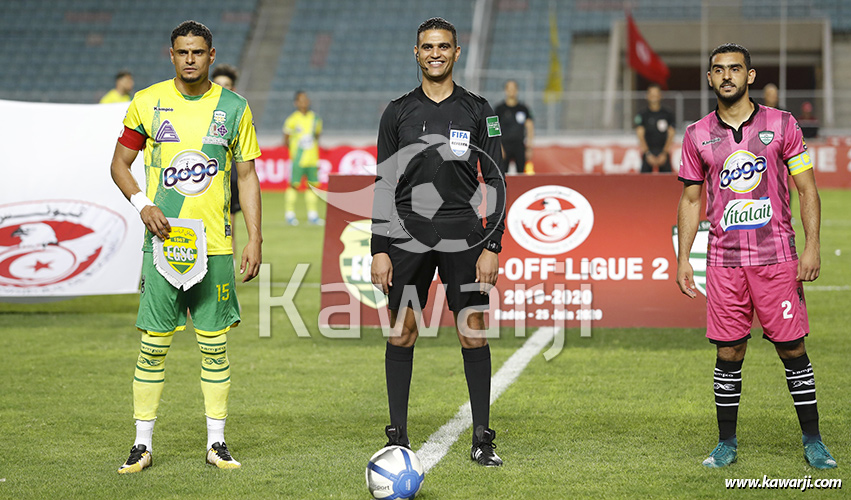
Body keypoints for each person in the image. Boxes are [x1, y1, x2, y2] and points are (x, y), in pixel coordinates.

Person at [110, 20, 262, 473]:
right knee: (153, 346)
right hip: (163, 245)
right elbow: (120, 164)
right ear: (171, 55)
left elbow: (247, 175)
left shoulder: (234, 107)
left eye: (198, 52)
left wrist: (255, 238)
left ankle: (217, 443)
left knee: (214, 347)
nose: (190, 59)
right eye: (182, 52)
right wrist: (142, 204)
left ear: (211, 57)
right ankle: (142, 443)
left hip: (215, 248)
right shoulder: (147, 102)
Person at [676, 43, 836, 469]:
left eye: (735, 69)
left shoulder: (782, 124)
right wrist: (681, 258)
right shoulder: (696, 135)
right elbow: (691, 200)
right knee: (728, 353)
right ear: (709, 79)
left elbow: (807, 189)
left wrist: (812, 246)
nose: (726, 76)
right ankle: (726, 443)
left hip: (777, 260)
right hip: (724, 264)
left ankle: (813, 440)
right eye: (718, 70)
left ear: (750, 76)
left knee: (792, 350)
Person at [370, 17, 506, 467]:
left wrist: (492, 246)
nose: (435, 53)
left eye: (443, 46)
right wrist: (378, 249)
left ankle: (482, 438)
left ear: (456, 52)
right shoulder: (397, 112)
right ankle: (397, 436)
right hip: (406, 237)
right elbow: (383, 184)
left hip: (465, 235)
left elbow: (498, 180)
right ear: (416, 52)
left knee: (472, 333)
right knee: (402, 331)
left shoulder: (480, 109)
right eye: (427, 46)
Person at [211, 64, 242, 255]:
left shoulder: (239, 114)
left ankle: (228, 269)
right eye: (218, 84)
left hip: (229, 177)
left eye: (227, 85)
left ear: (233, 89)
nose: (222, 88)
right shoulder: (200, 112)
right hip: (205, 176)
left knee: (229, 226)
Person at [283, 90, 324, 225]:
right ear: (296, 103)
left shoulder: (316, 119)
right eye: (301, 100)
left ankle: (313, 215)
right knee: (293, 186)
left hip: (312, 159)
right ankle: (289, 214)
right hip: (298, 159)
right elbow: (286, 139)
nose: (304, 102)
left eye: (305, 99)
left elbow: (317, 136)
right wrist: (294, 152)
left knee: (312, 186)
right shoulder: (292, 119)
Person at [494, 79, 534, 174]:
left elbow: (530, 126)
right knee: (502, 174)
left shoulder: (523, 108)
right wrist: (499, 147)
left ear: (517, 90)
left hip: (519, 145)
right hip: (504, 145)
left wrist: (529, 147)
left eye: (514, 88)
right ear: (505, 90)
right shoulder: (499, 109)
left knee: (522, 174)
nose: (512, 91)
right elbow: (494, 129)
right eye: (509, 88)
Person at [634, 83, 675, 173]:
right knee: (644, 183)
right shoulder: (642, 114)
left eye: (656, 94)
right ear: (647, 96)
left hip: (663, 153)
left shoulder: (667, 113)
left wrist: (664, 153)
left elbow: (671, 134)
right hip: (648, 153)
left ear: (660, 95)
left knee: (666, 182)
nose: (654, 96)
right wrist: (647, 154)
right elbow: (640, 135)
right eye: (651, 94)